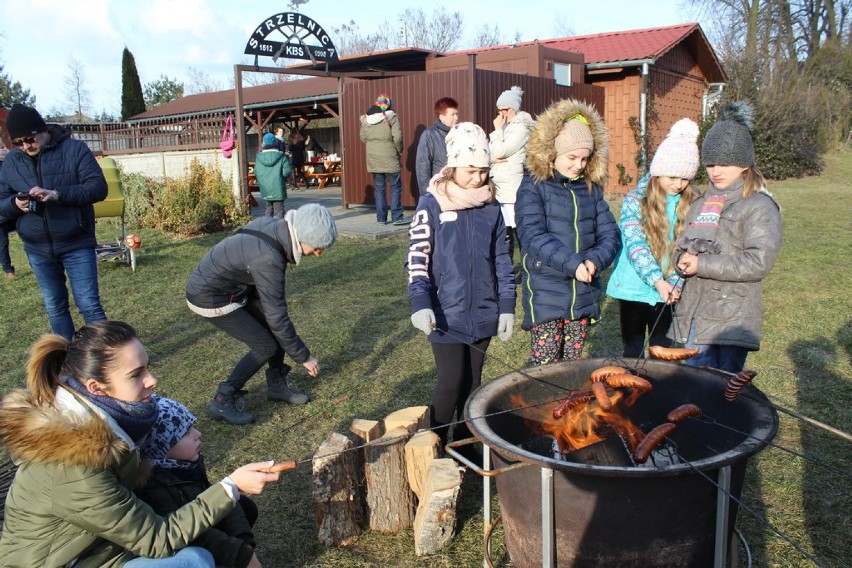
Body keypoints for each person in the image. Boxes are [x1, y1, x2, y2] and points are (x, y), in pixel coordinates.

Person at [0, 320, 282, 567]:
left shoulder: (118, 427)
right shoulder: (74, 466)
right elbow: (157, 539)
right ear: (95, 388)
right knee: (193, 562)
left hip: (104, 550)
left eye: (147, 367)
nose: (152, 380)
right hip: (77, 561)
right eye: (136, 374)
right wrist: (230, 488)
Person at [406, 122, 515, 455]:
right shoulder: (432, 203)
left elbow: (502, 259)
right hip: (444, 313)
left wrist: (507, 305)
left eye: (484, 171)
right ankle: (433, 448)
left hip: (483, 311)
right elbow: (417, 257)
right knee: (450, 383)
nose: (478, 178)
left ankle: (466, 450)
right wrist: (420, 303)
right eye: (471, 170)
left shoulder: (492, 207)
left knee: (473, 386)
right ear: (452, 166)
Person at [186, 203, 337, 425]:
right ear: (303, 235)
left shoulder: (275, 227)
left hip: (233, 287)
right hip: (209, 296)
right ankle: (223, 399)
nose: (319, 252)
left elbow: (273, 314)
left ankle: (276, 385)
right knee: (265, 345)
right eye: (317, 246)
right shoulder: (270, 259)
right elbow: (278, 317)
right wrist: (304, 357)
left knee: (273, 328)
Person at [670, 101, 782, 373]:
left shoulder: (759, 206)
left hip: (731, 317)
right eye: (710, 164)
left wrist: (703, 265)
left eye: (724, 164)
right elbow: (682, 247)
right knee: (694, 385)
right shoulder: (699, 204)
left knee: (724, 391)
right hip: (694, 315)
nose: (715, 171)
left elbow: (758, 262)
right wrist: (680, 261)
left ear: (744, 164)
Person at [515, 99, 620, 365]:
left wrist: (594, 260)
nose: (578, 165)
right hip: (547, 295)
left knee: (571, 368)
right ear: (552, 152)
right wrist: (572, 263)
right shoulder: (533, 187)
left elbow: (610, 235)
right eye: (572, 157)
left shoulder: (591, 189)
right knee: (546, 370)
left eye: (585, 159)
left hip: (583, 294)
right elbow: (532, 236)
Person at [0, 103, 108, 339]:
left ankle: (108, 358)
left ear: (43, 130)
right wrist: (14, 205)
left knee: (89, 304)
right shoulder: (12, 162)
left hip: (76, 242)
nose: (25, 146)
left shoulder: (75, 149)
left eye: (30, 139)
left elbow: (98, 188)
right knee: (55, 307)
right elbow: (1, 201)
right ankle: (69, 359)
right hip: (37, 249)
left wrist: (57, 194)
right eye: (18, 142)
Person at [606, 118, 700, 359]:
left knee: (663, 352)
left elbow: (691, 247)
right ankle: (631, 396)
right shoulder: (634, 201)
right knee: (633, 351)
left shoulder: (692, 203)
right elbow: (635, 246)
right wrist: (657, 281)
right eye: (672, 176)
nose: (678, 184)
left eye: (685, 178)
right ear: (658, 171)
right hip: (634, 289)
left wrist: (674, 283)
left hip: (670, 288)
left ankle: (660, 394)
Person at [138, 397, 262, 568]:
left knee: (242, 505)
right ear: (162, 447)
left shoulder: (186, 465)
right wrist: (238, 554)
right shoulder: (152, 490)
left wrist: (244, 544)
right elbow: (195, 536)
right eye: (186, 432)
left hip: (198, 521)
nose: (198, 434)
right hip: (184, 543)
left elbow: (216, 500)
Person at [489, 86, 536, 259]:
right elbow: (490, 153)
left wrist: (497, 131)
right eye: (499, 110)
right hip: (500, 185)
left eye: (505, 109)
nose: (502, 114)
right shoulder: (506, 127)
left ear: (514, 108)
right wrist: (493, 156)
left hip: (511, 187)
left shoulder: (521, 128)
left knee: (517, 230)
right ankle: (507, 270)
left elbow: (500, 151)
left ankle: (527, 267)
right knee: (504, 232)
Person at [360, 94, 408, 225]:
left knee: (379, 188)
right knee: (395, 186)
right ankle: (397, 217)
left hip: (373, 159)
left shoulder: (366, 120)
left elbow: (363, 138)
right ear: (388, 104)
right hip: (390, 157)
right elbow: (397, 138)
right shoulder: (391, 117)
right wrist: (399, 150)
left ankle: (381, 219)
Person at [415, 97, 459, 195]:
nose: (456, 118)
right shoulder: (429, 135)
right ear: (441, 117)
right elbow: (422, 168)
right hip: (439, 191)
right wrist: (427, 195)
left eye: (457, 114)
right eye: (452, 114)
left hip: (458, 192)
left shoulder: (460, 133)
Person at [255, 133, 291, 219]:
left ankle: (267, 229)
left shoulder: (259, 158)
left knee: (268, 209)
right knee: (279, 210)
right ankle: (278, 230)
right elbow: (287, 171)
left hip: (265, 188)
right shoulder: (282, 156)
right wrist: (282, 178)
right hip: (278, 187)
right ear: (275, 142)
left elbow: (256, 171)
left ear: (263, 143)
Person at [0, 140, 15, 279]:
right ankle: (8, 270)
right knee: (2, 242)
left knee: (27, 236)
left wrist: (8, 156)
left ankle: (35, 265)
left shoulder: (8, 158)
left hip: (14, 204)